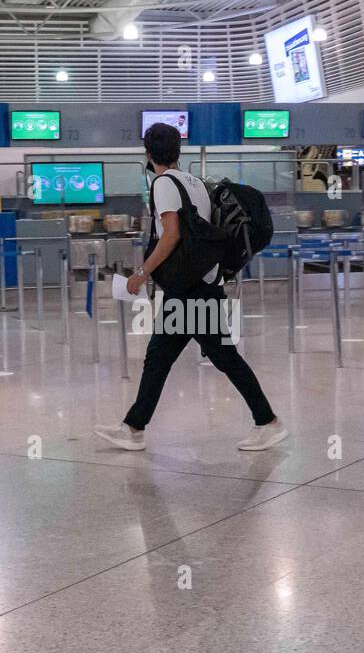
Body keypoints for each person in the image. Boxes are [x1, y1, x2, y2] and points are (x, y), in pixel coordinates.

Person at [94, 123, 288, 452]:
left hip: (190, 288)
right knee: (163, 356)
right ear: (178, 150)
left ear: (147, 152)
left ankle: (268, 422)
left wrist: (140, 273)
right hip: (200, 282)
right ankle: (133, 428)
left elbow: (171, 235)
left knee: (219, 356)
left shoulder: (163, 184)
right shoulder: (194, 182)